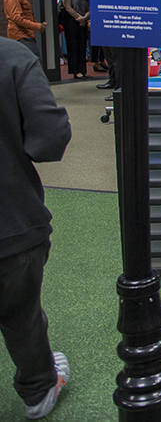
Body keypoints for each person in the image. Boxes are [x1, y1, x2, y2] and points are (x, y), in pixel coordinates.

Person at [0, 37, 72, 419]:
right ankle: (38, 387)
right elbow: (49, 139)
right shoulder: (12, 57)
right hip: (11, 224)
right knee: (20, 313)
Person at [3, 0, 47, 64]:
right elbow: (16, 18)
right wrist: (36, 26)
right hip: (21, 37)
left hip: (25, 36)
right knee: (34, 64)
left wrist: (37, 25)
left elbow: (26, 16)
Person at [60, 0, 91, 80]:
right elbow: (68, 7)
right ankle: (75, 71)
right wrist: (79, 18)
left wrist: (84, 18)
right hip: (72, 22)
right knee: (73, 47)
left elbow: (89, 9)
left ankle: (83, 70)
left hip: (83, 21)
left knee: (82, 46)